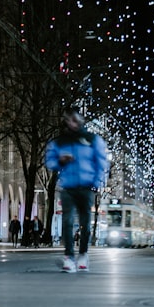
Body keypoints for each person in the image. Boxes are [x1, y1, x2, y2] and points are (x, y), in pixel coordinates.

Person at [45, 107, 110, 273]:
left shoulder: (92, 139)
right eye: (68, 120)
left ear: (80, 121)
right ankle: (69, 257)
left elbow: (101, 163)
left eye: (74, 119)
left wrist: (96, 183)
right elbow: (50, 161)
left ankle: (83, 254)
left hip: (87, 187)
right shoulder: (59, 142)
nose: (71, 123)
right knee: (67, 222)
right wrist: (60, 161)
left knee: (85, 223)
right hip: (68, 186)